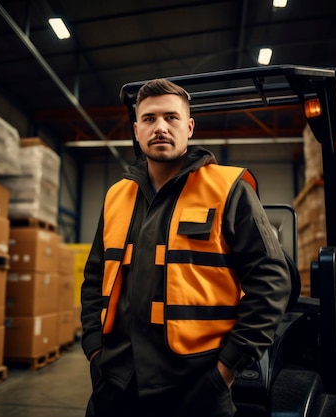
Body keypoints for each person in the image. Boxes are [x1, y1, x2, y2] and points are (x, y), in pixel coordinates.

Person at [80, 78, 292, 417]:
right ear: (136, 130)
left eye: (171, 118)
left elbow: (272, 283)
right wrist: (93, 348)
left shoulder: (228, 189)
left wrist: (225, 371)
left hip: (197, 386)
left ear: (189, 127)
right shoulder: (116, 196)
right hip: (116, 381)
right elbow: (94, 279)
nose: (160, 127)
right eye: (149, 119)